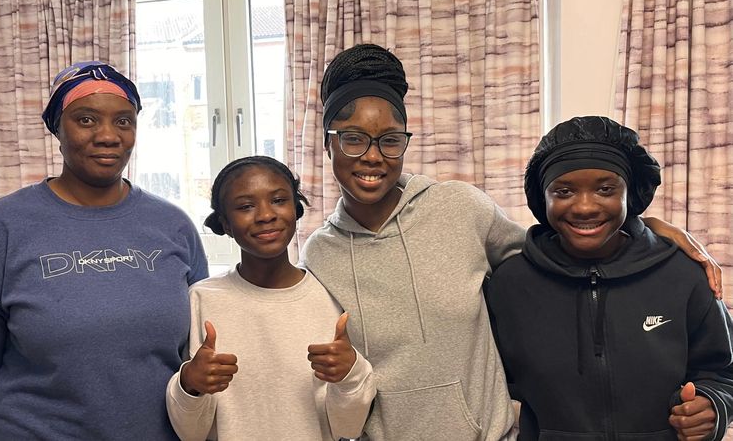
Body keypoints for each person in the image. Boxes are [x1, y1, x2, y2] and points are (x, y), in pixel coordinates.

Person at [300, 43, 724, 440]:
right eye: (352, 138)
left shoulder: (461, 209)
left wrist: (641, 226)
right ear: (327, 142)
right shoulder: (319, 255)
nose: (372, 156)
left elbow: (557, 253)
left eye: (390, 139)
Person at [0, 61, 209, 440]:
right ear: (57, 128)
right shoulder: (2, 227)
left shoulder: (173, 227)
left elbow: (197, 364)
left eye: (123, 121)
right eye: (87, 120)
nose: (108, 136)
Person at [486, 116, 733, 440]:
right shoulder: (511, 286)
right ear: (541, 198)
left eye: (605, 189)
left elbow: (723, 372)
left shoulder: (681, 275)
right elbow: (483, 380)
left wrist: (713, 406)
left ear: (630, 194)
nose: (585, 206)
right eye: (563, 191)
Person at [165, 156, 376, 440]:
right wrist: (190, 384)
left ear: (296, 208)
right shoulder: (201, 299)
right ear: (225, 224)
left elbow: (348, 427)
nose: (265, 215)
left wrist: (349, 374)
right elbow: (191, 432)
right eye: (245, 206)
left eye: (278, 200)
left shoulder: (330, 297)